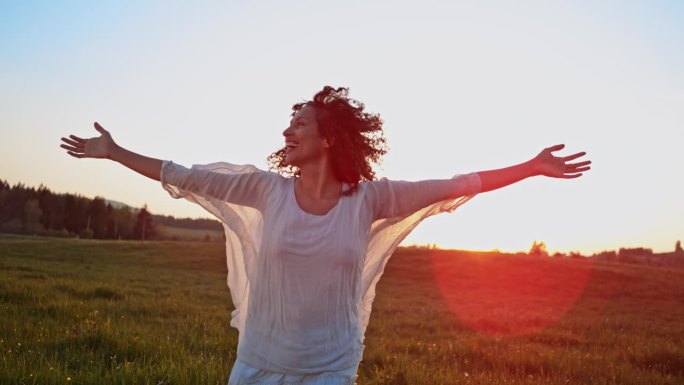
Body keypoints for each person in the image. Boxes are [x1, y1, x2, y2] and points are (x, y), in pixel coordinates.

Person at [60, 86, 591, 385]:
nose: (288, 133)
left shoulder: (372, 200)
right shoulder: (264, 189)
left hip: (330, 370)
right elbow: (183, 174)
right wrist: (115, 151)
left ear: (329, 137)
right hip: (259, 363)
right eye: (288, 125)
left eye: (300, 125)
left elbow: (458, 183)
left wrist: (530, 166)